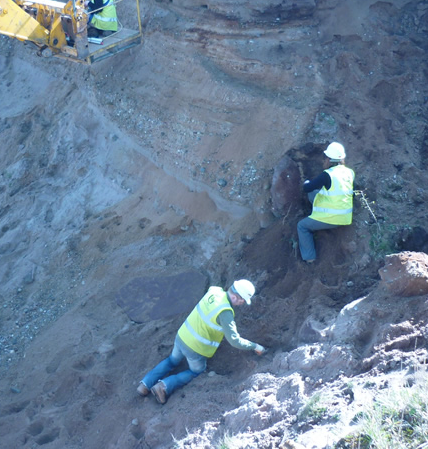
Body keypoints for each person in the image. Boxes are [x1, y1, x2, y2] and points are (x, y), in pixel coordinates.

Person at [137, 279, 266, 405]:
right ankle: (163, 387)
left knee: (172, 360)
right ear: (237, 298)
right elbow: (234, 341)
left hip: (182, 335)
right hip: (195, 348)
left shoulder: (215, 291)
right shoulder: (225, 313)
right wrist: (255, 346)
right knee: (196, 371)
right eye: (243, 301)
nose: (242, 303)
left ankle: (145, 384)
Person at [297, 141, 355, 263]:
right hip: (346, 217)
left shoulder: (327, 175)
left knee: (302, 226)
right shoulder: (350, 173)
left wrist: (306, 183)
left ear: (328, 159)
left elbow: (307, 188)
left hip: (331, 218)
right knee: (315, 194)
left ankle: (309, 259)